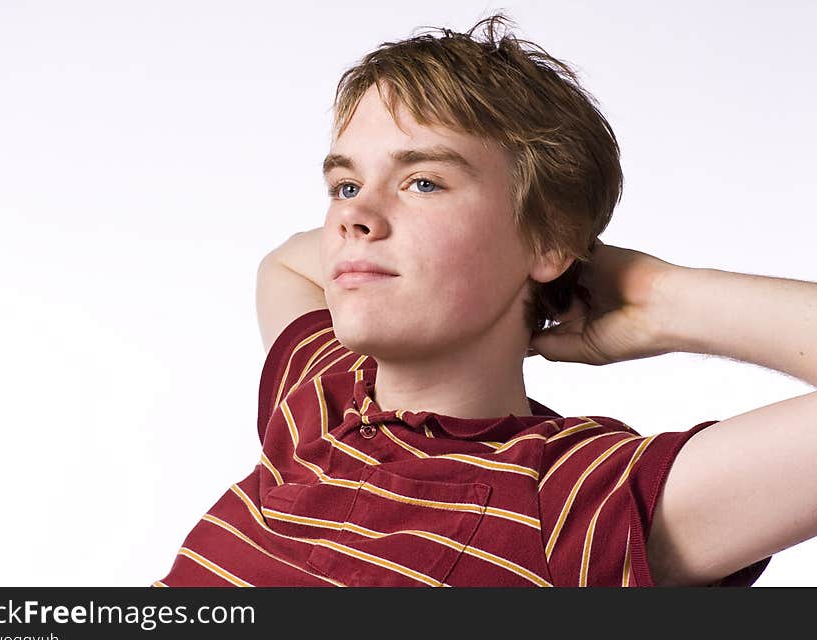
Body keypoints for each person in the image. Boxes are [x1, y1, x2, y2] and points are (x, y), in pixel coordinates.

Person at [155, 13, 815, 587]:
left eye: (423, 182)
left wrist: (658, 297)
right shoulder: (321, 391)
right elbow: (286, 266)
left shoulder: (572, 499)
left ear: (549, 239)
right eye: (346, 185)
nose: (354, 219)